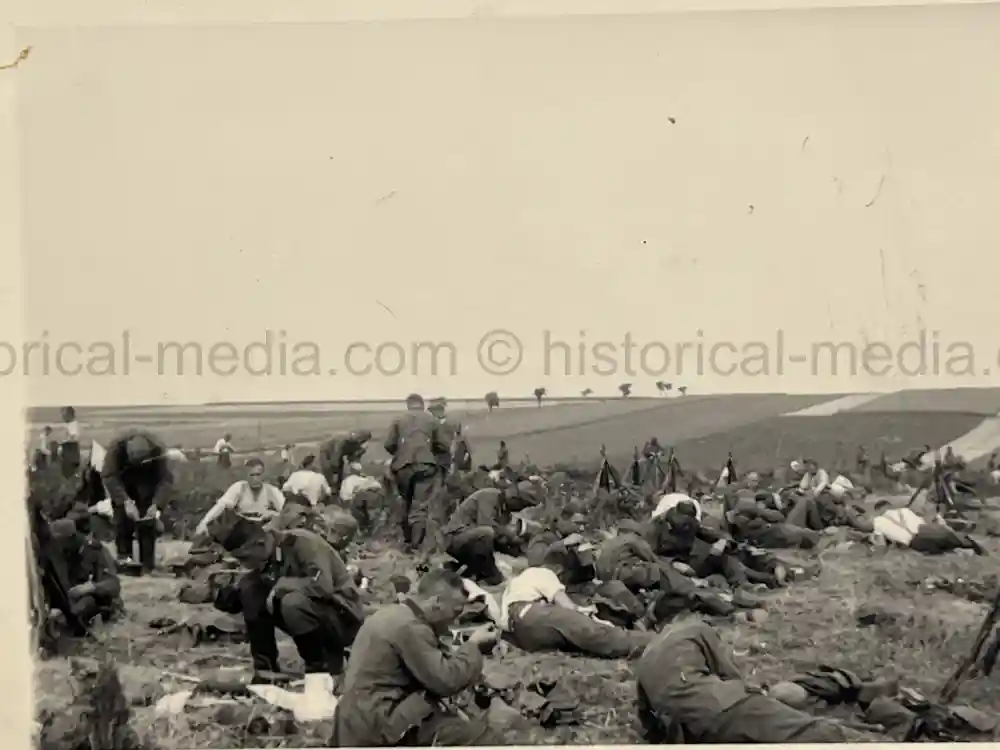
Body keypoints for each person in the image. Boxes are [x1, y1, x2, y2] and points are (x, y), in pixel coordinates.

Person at [332, 568, 501, 747]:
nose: (454, 620)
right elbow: (446, 681)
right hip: (376, 725)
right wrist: (473, 646)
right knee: (481, 737)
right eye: (455, 611)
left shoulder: (395, 613)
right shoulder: (410, 627)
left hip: (356, 721)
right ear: (437, 602)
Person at [635, 618, 876, 742]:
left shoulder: (647, 654)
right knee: (821, 733)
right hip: (721, 706)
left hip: (688, 731)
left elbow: (645, 714)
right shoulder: (697, 628)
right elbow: (729, 674)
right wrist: (754, 694)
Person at [215, 518, 365, 690]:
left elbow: (323, 587)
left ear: (260, 543)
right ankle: (266, 669)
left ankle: (321, 668)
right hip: (313, 612)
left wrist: (282, 585)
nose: (244, 563)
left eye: (245, 557)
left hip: (343, 617)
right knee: (250, 589)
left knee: (292, 601)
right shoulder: (267, 556)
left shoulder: (303, 543)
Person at [501, 551, 652, 659]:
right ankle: (649, 641)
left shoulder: (515, 584)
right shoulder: (542, 573)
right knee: (595, 633)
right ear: (559, 570)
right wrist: (589, 616)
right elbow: (566, 605)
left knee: (577, 641)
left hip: (521, 630)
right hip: (534, 613)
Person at [442, 481, 543, 584]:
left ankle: (459, 569)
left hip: (472, 542)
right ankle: (483, 573)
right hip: (455, 538)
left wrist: (521, 552)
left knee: (497, 575)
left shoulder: (505, 513)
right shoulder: (489, 496)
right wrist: (509, 534)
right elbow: (486, 525)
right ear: (514, 498)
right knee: (487, 532)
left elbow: (500, 540)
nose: (522, 508)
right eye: (523, 504)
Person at [101, 430, 173, 572]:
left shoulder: (158, 450)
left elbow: (165, 480)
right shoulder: (115, 450)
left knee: (147, 522)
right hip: (122, 482)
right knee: (122, 521)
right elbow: (109, 476)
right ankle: (125, 562)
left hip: (147, 482)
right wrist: (125, 501)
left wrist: (156, 505)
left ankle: (147, 565)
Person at [385, 394, 449, 549]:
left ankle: (406, 540)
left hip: (402, 467)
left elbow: (388, 445)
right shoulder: (431, 419)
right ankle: (416, 545)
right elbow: (443, 445)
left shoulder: (398, 420)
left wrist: (401, 452)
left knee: (405, 503)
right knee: (419, 506)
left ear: (408, 405)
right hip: (426, 465)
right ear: (422, 405)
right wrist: (430, 451)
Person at [195, 457, 285, 537]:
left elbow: (286, 510)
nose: (255, 479)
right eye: (252, 475)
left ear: (263, 475)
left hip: (264, 530)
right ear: (246, 476)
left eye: (258, 475)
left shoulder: (271, 490)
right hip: (243, 531)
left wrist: (273, 514)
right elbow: (221, 506)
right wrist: (204, 523)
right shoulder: (239, 488)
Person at [59, 406, 81, 478]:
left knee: (69, 473)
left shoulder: (73, 424)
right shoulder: (69, 425)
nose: (62, 416)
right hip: (69, 451)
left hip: (70, 451)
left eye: (63, 414)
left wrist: (64, 442)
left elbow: (73, 438)